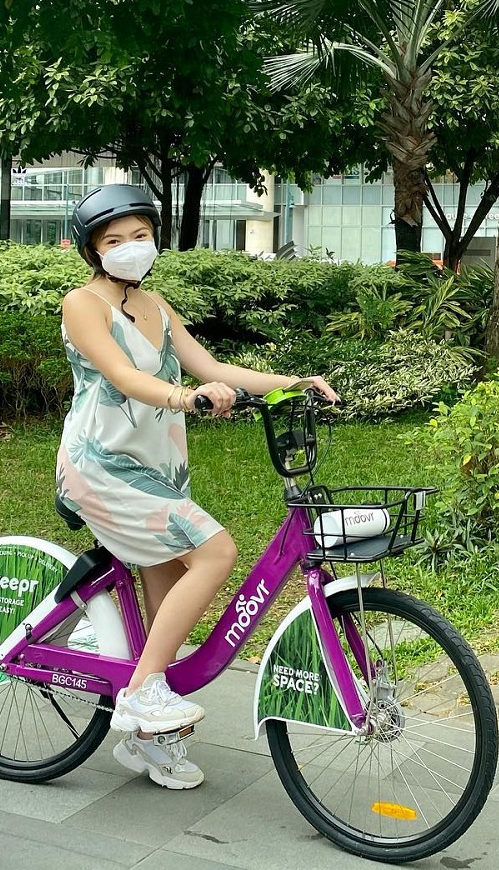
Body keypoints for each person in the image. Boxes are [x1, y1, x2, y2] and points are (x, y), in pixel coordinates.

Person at [55, 184, 337, 790]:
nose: (131, 248)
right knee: (216, 551)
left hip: (158, 471)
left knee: (168, 606)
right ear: (92, 250)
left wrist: (293, 381)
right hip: (103, 467)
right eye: (113, 240)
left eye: (139, 235)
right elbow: (126, 376)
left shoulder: (156, 304)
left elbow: (211, 367)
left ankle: (150, 743)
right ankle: (139, 696)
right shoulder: (83, 304)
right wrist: (185, 396)